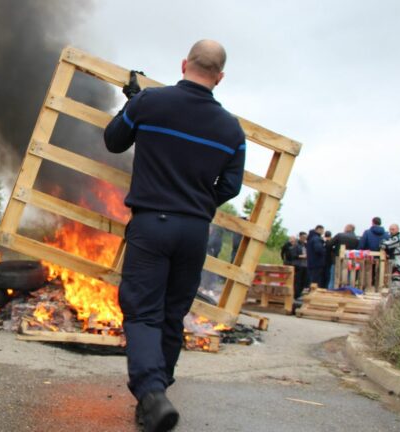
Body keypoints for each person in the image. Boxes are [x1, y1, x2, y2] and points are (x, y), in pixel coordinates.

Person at [104, 39, 245, 432]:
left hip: (152, 225)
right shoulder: (231, 129)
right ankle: (156, 399)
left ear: (184, 63)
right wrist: (199, 203)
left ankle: (151, 393)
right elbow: (231, 186)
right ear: (220, 77)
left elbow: (113, 141)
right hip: (194, 230)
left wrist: (131, 103)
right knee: (171, 314)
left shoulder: (150, 103)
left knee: (143, 312)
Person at [382, 224, 400, 291]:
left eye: (393, 229)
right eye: (390, 229)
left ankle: (395, 298)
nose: (391, 231)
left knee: (396, 282)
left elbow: (385, 245)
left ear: (397, 229)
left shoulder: (398, 238)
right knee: (394, 283)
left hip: (399, 264)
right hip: (397, 263)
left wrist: (382, 242)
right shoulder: (398, 238)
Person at [294, 232, 308, 297]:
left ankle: (299, 294)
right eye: (303, 237)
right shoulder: (296, 245)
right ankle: (296, 295)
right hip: (298, 265)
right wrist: (302, 256)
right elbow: (293, 255)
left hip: (305, 265)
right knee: (297, 281)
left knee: (304, 281)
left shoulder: (306, 245)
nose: (304, 239)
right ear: (300, 237)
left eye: (305, 238)